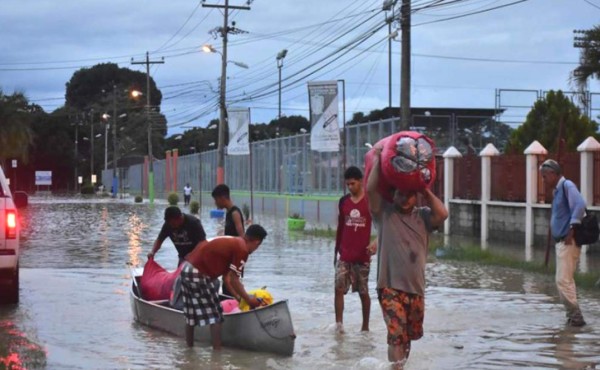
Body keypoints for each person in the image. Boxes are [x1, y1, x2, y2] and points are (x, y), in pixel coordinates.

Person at [367, 146, 448, 369]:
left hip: (416, 288)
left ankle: (401, 365)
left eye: (409, 195)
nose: (404, 199)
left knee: (408, 337)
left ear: (416, 197)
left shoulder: (422, 217)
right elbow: (371, 191)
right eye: (400, 194)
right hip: (389, 287)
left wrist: (424, 189)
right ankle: (396, 367)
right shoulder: (384, 213)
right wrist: (376, 160)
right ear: (393, 194)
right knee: (396, 335)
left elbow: (443, 214)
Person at [181, 224, 268, 349]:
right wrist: (249, 299)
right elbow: (234, 279)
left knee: (191, 315)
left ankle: (188, 350)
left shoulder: (234, 241)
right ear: (256, 242)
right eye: (258, 246)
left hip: (186, 268)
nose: (256, 249)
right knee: (216, 316)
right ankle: (217, 357)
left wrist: (239, 298)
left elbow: (227, 279)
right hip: (199, 273)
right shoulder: (242, 249)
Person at [539, 159, 587, 327]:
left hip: (568, 242)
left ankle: (576, 316)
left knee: (563, 280)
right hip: (562, 242)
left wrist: (572, 228)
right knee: (564, 280)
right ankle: (572, 316)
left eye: (544, 177)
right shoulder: (557, 191)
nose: (543, 180)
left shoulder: (567, 186)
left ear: (553, 174)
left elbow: (580, 205)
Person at [334, 166, 376, 333]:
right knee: (338, 288)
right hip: (344, 255)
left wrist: (375, 243)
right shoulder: (343, 202)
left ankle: (365, 328)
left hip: (362, 257)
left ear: (360, 182)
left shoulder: (371, 201)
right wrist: (337, 250)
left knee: (363, 292)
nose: (350, 187)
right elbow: (340, 228)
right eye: (347, 185)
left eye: (353, 184)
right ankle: (339, 326)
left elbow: (381, 225)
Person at [212, 184, 245, 297]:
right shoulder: (228, 212)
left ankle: (236, 307)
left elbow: (242, 237)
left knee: (231, 285)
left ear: (222, 198)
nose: (215, 203)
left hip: (235, 257)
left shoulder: (235, 213)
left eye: (216, 200)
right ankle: (231, 307)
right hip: (229, 256)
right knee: (227, 285)